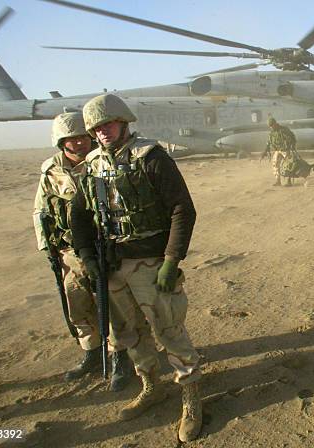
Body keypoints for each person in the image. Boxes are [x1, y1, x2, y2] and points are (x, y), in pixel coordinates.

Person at [69, 94, 202, 442]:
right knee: (127, 333)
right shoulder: (92, 165)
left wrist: (171, 262)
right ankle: (150, 385)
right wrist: (88, 258)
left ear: (124, 122)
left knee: (169, 329)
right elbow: (80, 217)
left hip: (151, 263)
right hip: (112, 267)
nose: (103, 133)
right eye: (96, 128)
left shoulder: (152, 158)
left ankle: (190, 395)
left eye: (108, 125)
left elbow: (182, 210)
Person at [32, 112, 133, 390]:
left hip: (101, 245)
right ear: (61, 142)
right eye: (71, 139)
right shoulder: (51, 170)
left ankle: (119, 357)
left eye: (82, 137)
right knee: (76, 301)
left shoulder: (102, 162)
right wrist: (47, 247)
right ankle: (90, 351)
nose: (78, 144)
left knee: (110, 304)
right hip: (69, 250)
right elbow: (40, 210)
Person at [262, 116, 296, 186]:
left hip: (285, 150)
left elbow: (292, 137)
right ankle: (278, 181)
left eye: (272, 125)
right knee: (275, 164)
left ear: (275, 123)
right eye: (270, 126)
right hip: (277, 150)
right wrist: (265, 150)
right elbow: (269, 142)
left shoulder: (284, 130)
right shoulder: (271, 133)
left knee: (288, 165)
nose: (271, 127)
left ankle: (288, 181)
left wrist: (292, 146)